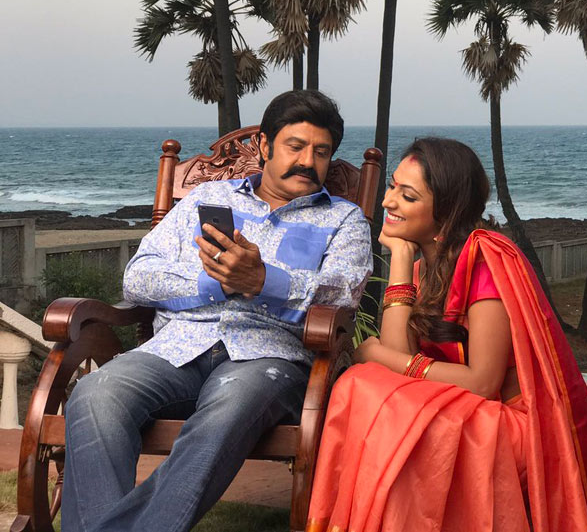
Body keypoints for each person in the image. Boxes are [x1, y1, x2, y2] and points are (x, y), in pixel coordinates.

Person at [62, 90, 373, 532]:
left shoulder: (343, 220)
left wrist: (265, 281)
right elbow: (138, 277)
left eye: (321, 152)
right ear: (264, 146)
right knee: (96, 393)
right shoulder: (206, 198)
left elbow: (342, 295)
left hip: (268, 358)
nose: (308, 161)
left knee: (230, 406)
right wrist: (218, 283)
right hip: (177, 347)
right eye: (295, 146)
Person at [307, 137, 587, 532]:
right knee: (364, 385)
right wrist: (400, 260)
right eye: (393, 186)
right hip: (463, 410)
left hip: (508, 425)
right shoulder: (422, 269)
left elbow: (483, 382)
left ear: (447, 210)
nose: (388, 201)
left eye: (407, 196)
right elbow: (399, 365)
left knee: (370, 386)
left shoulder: (484, 262)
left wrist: (378, 354)